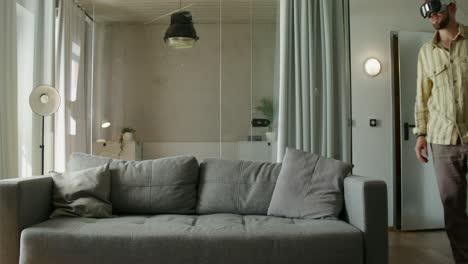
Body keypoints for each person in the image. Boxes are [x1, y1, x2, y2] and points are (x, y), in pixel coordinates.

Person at [415, 0, 468, 263]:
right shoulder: (426, 52)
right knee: (453, 208)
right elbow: (422, 97)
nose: (431, 13)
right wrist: (420, 134)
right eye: (424, 9)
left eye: (435, 6)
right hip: (442, 140)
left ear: (452, 6)